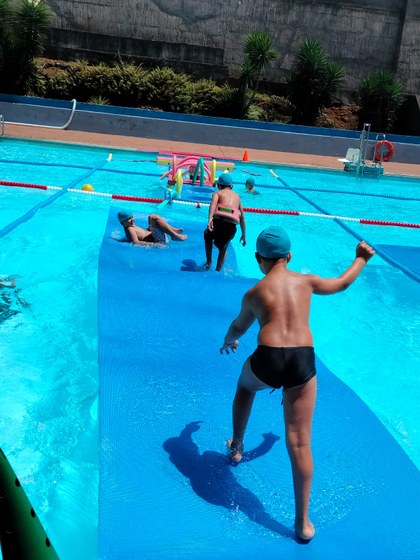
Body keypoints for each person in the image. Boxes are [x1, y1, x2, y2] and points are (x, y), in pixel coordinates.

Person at [220, 226, 375, 541]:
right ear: (289, 257)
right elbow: (342, 283)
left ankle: (236, 447)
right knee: (301, 444)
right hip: (301, 362)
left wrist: (230, 339)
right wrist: (360, 259)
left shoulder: (255, 292)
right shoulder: (305, 282)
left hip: (268, 359)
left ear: (258, 259)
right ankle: (302, 523)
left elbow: (239, 325)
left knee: (246, 387)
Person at [203, 173, 246, 271]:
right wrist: (244, 235)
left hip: (218, 222)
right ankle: (218, 270)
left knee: (207, 236)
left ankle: (209, 262)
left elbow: (213, 205)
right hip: (231, 227)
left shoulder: (217, 193)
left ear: (218, 185)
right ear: (232, 186)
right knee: (223, 248)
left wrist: (210, 219)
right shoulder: (237, 197)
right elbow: (242, 218)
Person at [118, 211, 187, 244]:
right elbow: (135, 243)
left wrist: (148, 230)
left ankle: (173, 231)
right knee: (153, 217)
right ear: (122, 223)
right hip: (158, 242)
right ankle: (174, 235)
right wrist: (154, 245)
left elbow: (142, 235)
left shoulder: (132, 226)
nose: (132, 219)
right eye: (129, 219)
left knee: (152, 217)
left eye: (132, 217)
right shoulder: (130, 229)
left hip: (155, 237)